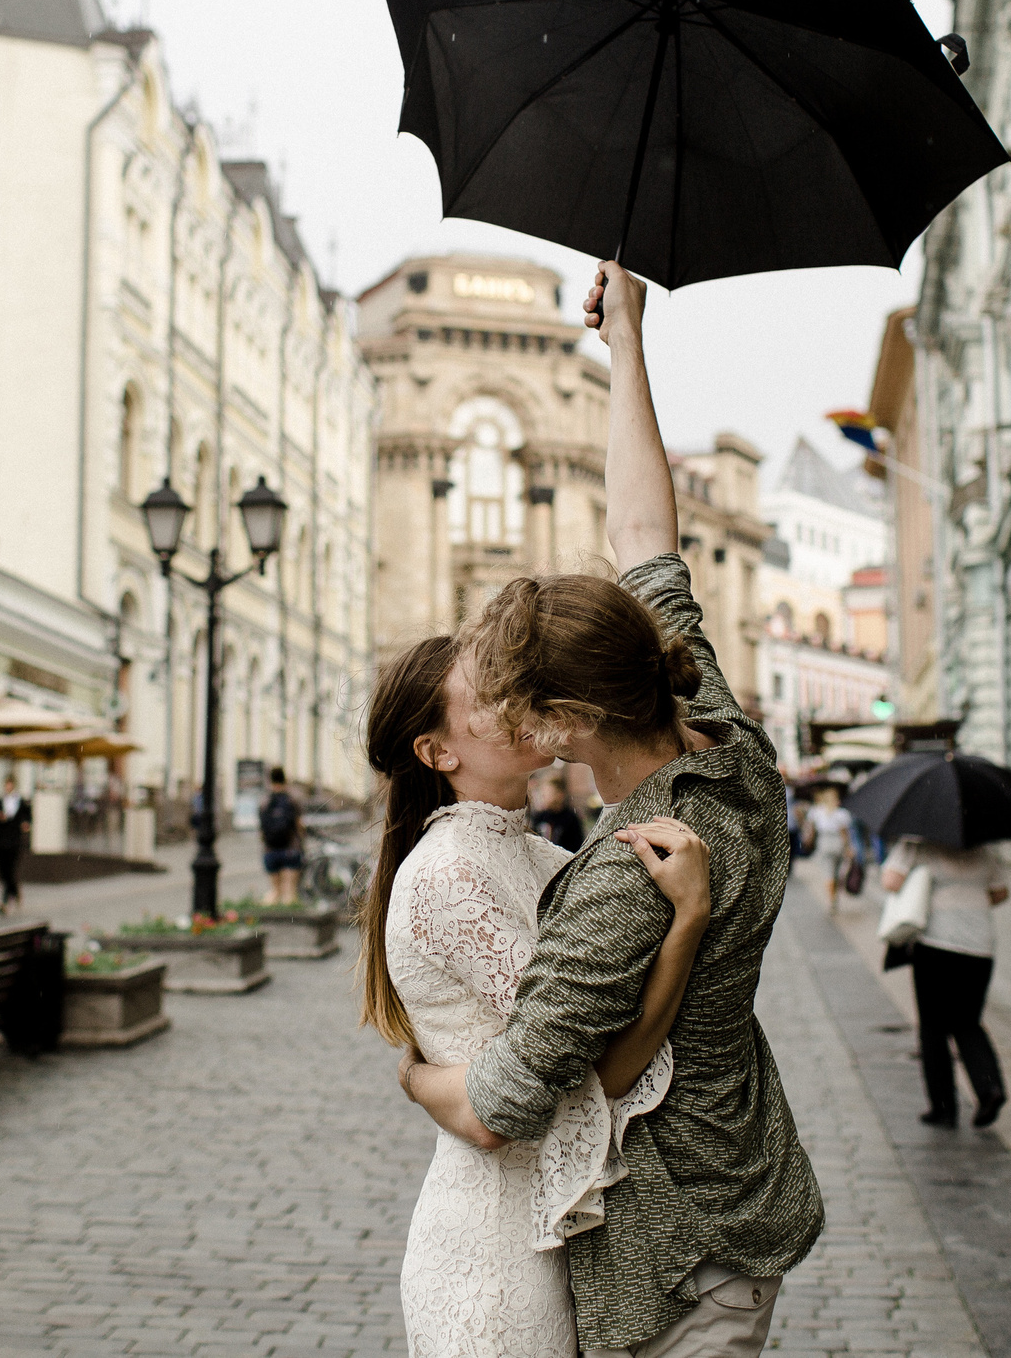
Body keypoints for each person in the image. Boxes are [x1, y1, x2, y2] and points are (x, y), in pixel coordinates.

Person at [399, 261, 822, 1357]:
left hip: (676, 1253)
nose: (503, 716)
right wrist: (627, 338)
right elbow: (645, 528)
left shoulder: (630, 871)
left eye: (517, 701)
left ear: (569, 721)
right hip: (744, 1187)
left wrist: (417, 1074)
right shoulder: (720, 730)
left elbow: (501, 1105)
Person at [366, 634, 711, 1358]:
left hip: (548, 1239)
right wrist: (688, 922)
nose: (517, 700)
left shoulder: (533, 852)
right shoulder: (448, 873)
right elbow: (598, 1065)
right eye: (489, 695)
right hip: (491, 1263)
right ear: (437, 752)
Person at [883, 836, 1010, 1128]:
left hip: (936, 945)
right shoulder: (985, 846)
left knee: (933, 1027)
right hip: (980, 947)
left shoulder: (916, 842)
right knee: (967, 1021)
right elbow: (1000, 893)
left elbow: (891, 882)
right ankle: (989, 1088)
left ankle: (943, 1108)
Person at [259, 767, 304, 906]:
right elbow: (299, 825)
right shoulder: (292, 800)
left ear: (270, 781)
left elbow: (261, 830)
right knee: (290, 892)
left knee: (275, 891)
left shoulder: (265, 802)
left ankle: (267, 915)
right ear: (285, 780)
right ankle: (290, 916)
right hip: (291, 849)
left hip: (270, 850)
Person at [809, 787, 853, 913]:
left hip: (824, 842)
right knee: (837, 872)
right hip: (838, 843)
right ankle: (835, 897)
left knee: (828, 873)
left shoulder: (817, 811)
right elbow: (844, 833)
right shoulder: (841, 813)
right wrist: (848, 847)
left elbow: (812, 828)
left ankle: (831, 899)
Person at [0, 779, 28, 911]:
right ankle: (16, 893)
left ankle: (5, 900)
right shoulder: (0, 801)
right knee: (3, 870)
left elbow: (27, 817)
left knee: (10, 869)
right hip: (1, 841)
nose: (8, 787)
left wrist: (25, 824)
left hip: (15, 841)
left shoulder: (20, 801)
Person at [527, 777, 587, 854]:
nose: (544, 797)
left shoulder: (570, 818)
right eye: (543, 794)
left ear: (560, 795)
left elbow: (577, 846)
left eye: (548, 793)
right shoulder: (539, 817)